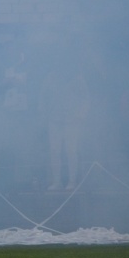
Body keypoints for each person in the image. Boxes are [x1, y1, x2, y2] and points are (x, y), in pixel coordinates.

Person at [39, 49, 90, 191]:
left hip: (72, 120)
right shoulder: (50, 78)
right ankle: (57, 182)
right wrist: (43, 113)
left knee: (71, 151)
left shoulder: (78, 79)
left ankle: (72, 182)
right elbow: (42, 97)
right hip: (54, 120)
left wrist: (80, 115)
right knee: (54, 151)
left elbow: (86, 99)